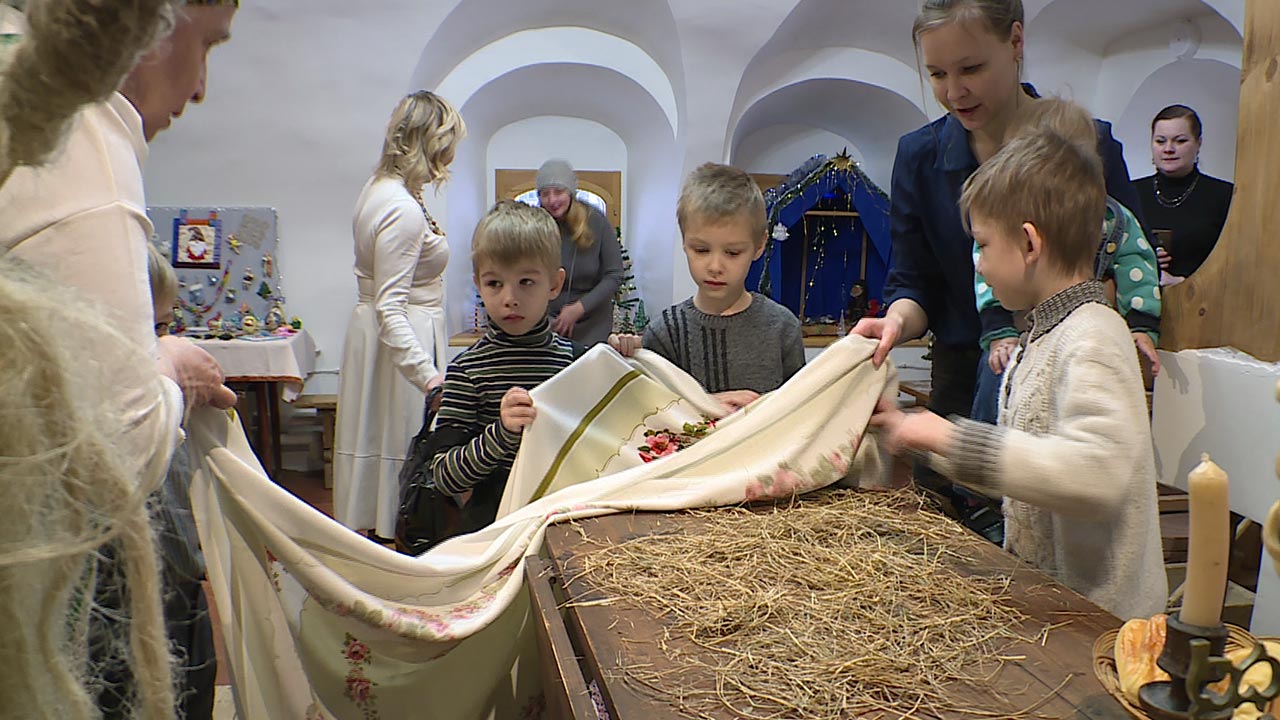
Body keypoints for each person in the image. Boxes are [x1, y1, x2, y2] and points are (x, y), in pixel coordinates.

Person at [851, 0, 1142, 532]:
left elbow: (1123, 260)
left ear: (1015, 41)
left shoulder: (1087, 144)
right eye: (937, 74)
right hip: (966, 377)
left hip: (1058, 376)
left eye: (971, 68)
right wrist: (895, 322)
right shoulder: (919, 155)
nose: (954, 91)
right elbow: (914, 280)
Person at [869, 127, 1167, 620]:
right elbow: (1028, 467)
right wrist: (916, 436)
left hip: (1106, 621)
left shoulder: (1093, 335)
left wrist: (949, 438)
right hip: (1058, 604)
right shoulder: (1042, 335)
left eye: (983, 246)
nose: (980, 266)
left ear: (1029, 243)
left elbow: (1098, 474)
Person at [333, 91, 465, 541]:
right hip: (400, 345)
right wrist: (429, 378)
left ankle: (382, 536)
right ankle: (395, 541)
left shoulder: (381, 188)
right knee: (396, 444)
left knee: (376, 439)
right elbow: (390, 307)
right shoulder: (402, 209)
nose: (450, 157)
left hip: (382, 336)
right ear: (431, 142)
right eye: (448, 145)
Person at [974, 99, 1162, 393]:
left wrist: (1141, 326)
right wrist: (999, 331)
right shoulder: (1000, 221)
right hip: (1016, 341)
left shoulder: (1113, 219)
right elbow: (985, 277)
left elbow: (1138, 267)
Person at [428, 200, 582, 532]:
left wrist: (625, 354)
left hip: (566, 524)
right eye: (494, 284)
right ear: (478, 285)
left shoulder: (576, 362)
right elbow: (443, 476)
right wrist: (501, 433)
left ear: (554, 285)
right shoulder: (467, 370)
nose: (509, 298)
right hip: (494, 530)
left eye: (526, 282)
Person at [608, 163, 805, 413]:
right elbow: (653, 415)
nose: (715, 266)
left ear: (759, 246)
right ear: (684, 241)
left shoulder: (782, 328)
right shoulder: (664, 333)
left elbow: (801, 412)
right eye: (701, 250)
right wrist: (622, 356)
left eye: (732, 253)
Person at [145, 243, 218, 719]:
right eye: (151, 329)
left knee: (195, 675)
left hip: (181, 583)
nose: (164, 342)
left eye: (164, 328)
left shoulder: (159, 401)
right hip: (155, 588)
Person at [1132, 104, 1234, 282]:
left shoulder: (1225, 195)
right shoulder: (1131, 192)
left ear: (1198, 143)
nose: (1168, 149)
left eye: (1180, 141)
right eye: (1160, 141)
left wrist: (1183, 284)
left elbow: (1234, 261)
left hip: (1204, 295)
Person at [537, 158, 624, 346]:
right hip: (548, 324)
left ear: (571, 193)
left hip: (593, 326)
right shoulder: (534, 225)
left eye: (558, 192)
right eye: (545, 194)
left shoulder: (597, 221)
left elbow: (614, 275)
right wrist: (543, 320)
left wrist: (578, 308)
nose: (552, 200)